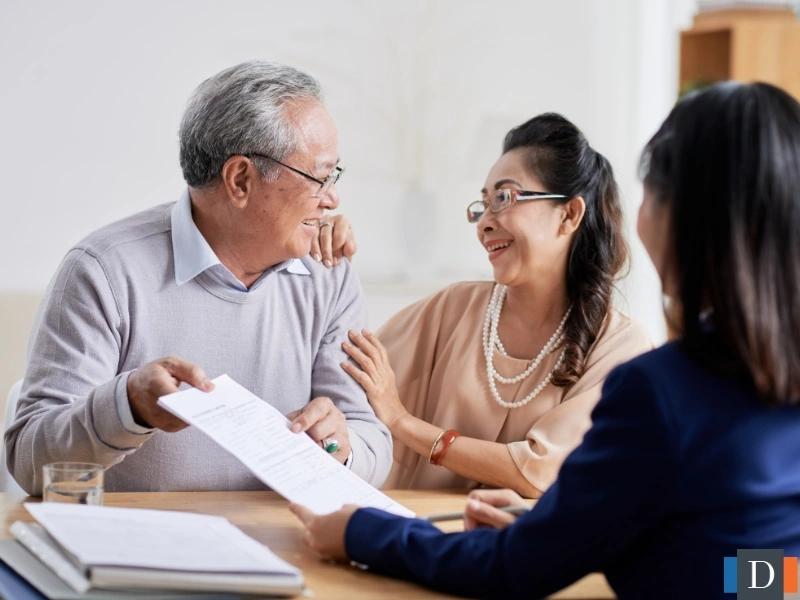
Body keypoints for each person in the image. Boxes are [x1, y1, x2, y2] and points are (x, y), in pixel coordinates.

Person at [291, 82, 800, 599]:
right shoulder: (767, 376)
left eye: (652, 192)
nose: (487, 221)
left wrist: (362, 532)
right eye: (482, 204)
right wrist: (631, 551)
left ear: (683, 217)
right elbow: (778, 573)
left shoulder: (656, 391)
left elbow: (513, 568)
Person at [5, 61, 392, 494]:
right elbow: (28, 462)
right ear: (240, 179)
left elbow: (372, 441)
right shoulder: (104, 270)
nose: (333, 198)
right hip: (141, 550)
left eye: (333, 176)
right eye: (319, 177)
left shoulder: (329, 274)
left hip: (288, 548)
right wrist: (127, 407)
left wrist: (342, 448)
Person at [337, 113, 651, 496]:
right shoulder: (453, 309)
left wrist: (404, 423)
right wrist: (322, 256)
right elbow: (342, 374)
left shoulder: (621, 346)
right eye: (483, 204)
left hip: (525, 555)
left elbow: (540, 472)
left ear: (569, 214)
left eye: (504, 197)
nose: (484, 222)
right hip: (414, 538)